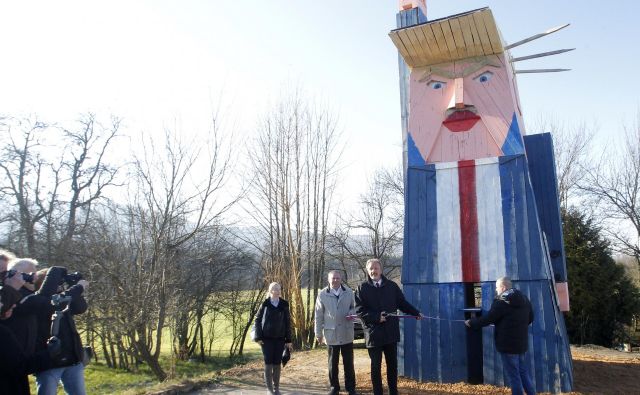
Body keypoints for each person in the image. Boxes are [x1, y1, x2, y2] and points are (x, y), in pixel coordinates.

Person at [355, 258, 423, 395]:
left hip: (390, 332)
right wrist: (376, 317)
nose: (374, 271)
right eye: (371, 269)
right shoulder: (362, 288)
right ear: (367, 271)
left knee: (392, 366)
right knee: (376, 366)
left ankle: (393, 392)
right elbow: (359, 310)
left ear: (381, 269)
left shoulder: (392, 286)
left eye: (376, 268)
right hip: (373, 333)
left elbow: (402, 303)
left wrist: (415, 313)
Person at [465, 277, 535, 395]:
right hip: (521, 344)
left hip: (507, 346)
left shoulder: (501, 301)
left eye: (497, 288)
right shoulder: (524, 298)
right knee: (523, 372)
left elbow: (488, 319)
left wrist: (471, 322)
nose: (496, 290)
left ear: (503, 287)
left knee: (514, 376)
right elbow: (530, 318)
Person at [33, 267, 90, 395]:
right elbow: (50, 301)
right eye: (57, 283)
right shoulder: (37, 301)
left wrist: (71, 286)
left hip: (71, 359)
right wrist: (78, 288)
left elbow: (80, 307)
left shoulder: (63, 299)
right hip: (49, 361)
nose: (60, 286)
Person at [0, 284, 60, 395]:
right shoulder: (3, 333)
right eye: (10, 304)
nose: (13, 306)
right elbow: (19, 366)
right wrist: (49, 353)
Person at [315, 270, 358, 395]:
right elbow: (318, 315)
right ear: (328, 279)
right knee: (332, 364)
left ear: (341, 279)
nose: (335, 280)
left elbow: (356, 307)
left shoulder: (349, 292)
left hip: (346, 333)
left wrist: (351, 313)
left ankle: (351, 388)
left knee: (349, 363)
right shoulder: (322, 294)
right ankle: (334, 387)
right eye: (333, 278)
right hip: (331, 334)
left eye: (337, 278)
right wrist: (318, 333)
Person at [254, 282, 292, 395]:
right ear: (270, 291)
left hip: (280, 339)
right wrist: (258, 337)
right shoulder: (265, 304)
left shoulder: (285, 304)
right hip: (266, 340)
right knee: (268, 363)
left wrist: (288, 340)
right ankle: (269, 390)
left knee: (277, 364)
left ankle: (276, 389)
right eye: (275, 289)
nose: (278, 291)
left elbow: (287, 322)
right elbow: (257, 320)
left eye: (279, 289)